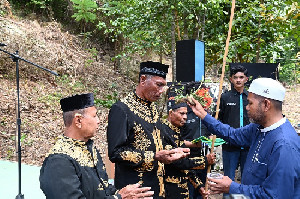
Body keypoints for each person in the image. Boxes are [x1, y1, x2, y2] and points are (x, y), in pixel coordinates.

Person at [189, 78, 300, 198]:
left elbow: (275, 195)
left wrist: (232, 187)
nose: (247, 107)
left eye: (250, 103)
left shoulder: (284, 145)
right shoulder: (258, 128)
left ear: (266, 105)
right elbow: (232, 134)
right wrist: (203, 115)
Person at [40, 93, 154, 199]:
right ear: (78, 120)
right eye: (94, 116)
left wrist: (123, 193)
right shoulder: (59, 161)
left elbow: (102, 189)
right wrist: (119, 197)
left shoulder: (89, 148)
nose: (98, 121)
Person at [106, 61, 190, 198]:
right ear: (143, 80)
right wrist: (154, 156)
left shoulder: (152, 108)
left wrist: (171, 151)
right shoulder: (121, 110)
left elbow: (156, 143)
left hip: (157, 187)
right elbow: (115, 152)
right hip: (135, 190)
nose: (162, 91)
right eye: (158, 85)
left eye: (164, 86)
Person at [161, 100, 215, 199]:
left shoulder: (176, 130)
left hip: (182, 188)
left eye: (186, 113)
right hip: (168, 189)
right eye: (181, 113)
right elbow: (179, 162)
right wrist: (205, 160)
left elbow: (186, 167)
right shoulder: (162, 132)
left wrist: (199, 186)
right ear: (171, 113)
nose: (185, 117)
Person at [219, 65, 250, 182]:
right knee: (228, 178)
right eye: (235, 77)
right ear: (231, 79)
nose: (238, 80)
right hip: (230, 145)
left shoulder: (251, 97)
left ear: (246, 79)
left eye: (241, 77)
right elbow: (219, 119)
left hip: (248, 144)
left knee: (247, 179)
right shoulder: (225, 97)